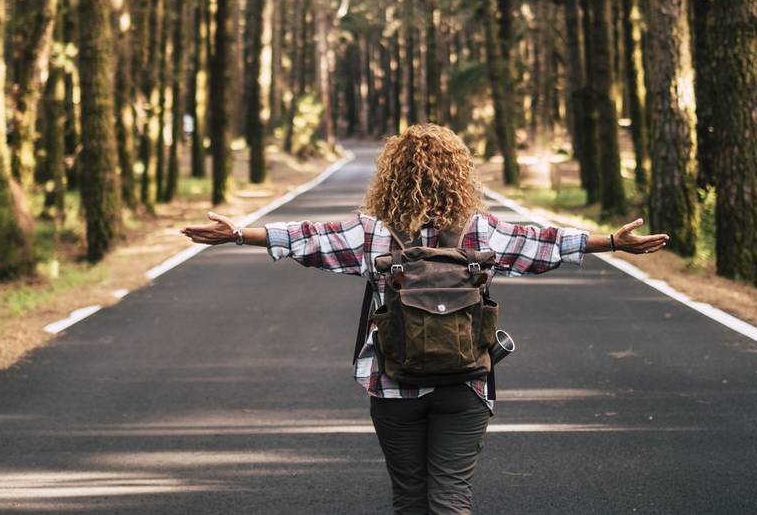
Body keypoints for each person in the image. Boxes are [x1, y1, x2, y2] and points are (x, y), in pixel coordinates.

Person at [180, 124, 670, 514]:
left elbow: (307, 237)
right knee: (451, 497)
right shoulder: (481, 232)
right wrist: (611, 242)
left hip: (395, 384)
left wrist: (239, 234)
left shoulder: (372, 233)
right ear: (460, 175)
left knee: (410, 499)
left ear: (390, 175)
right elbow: (543, 244)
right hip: (466, 383)